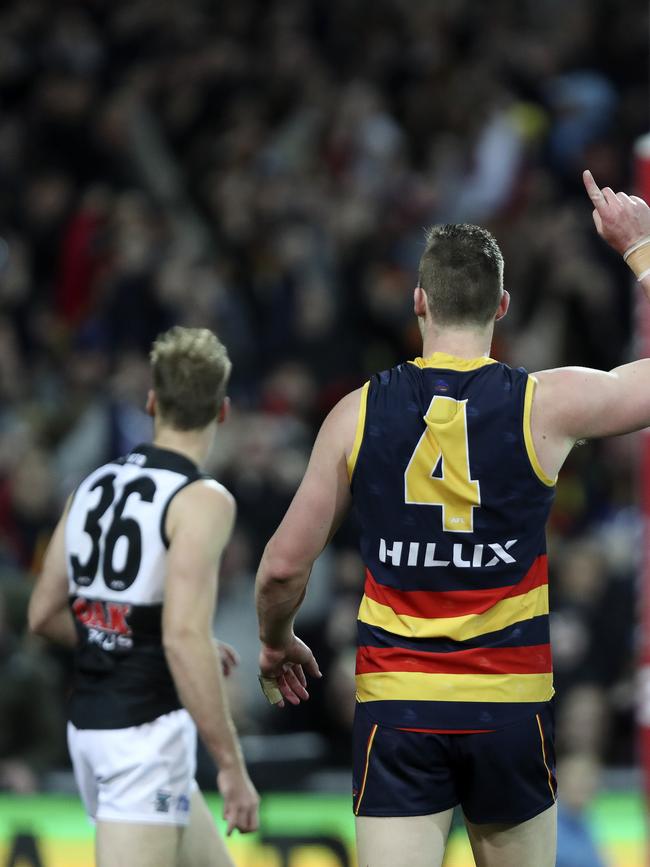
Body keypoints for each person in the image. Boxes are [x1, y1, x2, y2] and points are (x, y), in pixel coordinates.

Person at [255, 171, 650, 867]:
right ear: (501, 304)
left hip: (400, 707)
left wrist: (277, 638)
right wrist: (639, 247)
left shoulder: (358, 412)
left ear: (418, 303)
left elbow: (284, 567)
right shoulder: (543, 406)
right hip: (508, 704)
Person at [29, 327, 259, 867]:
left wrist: (143, 641)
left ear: (152, 402)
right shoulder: (203, 500)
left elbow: (43, 614)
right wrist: (231, 767)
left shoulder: (92, 485)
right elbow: (181, 636)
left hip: (92, 725)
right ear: (222, 411)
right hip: (142, 738)